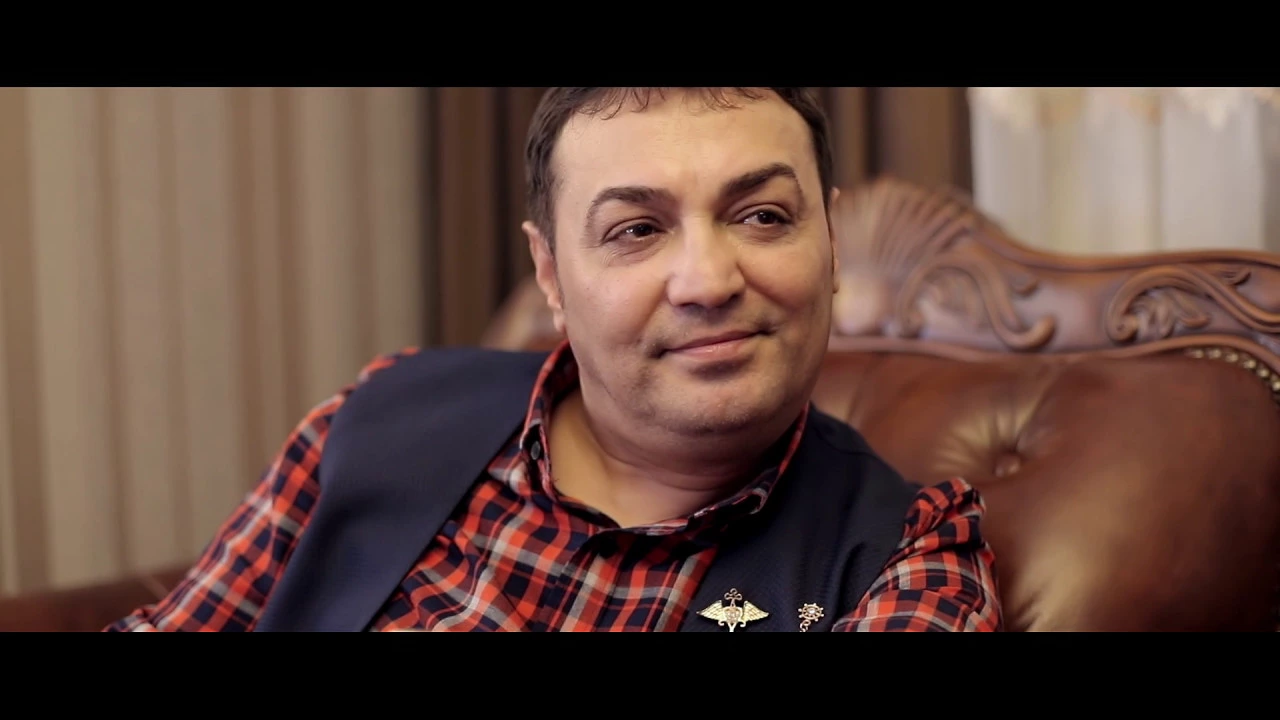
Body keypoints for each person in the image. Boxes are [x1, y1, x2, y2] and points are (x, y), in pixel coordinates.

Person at [106, 87, 1002, 632]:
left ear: (831, 243)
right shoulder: (382, 415)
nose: (707, 280)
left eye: (762, 216)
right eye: (635, 230)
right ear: (550, 275)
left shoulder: (908, 558)